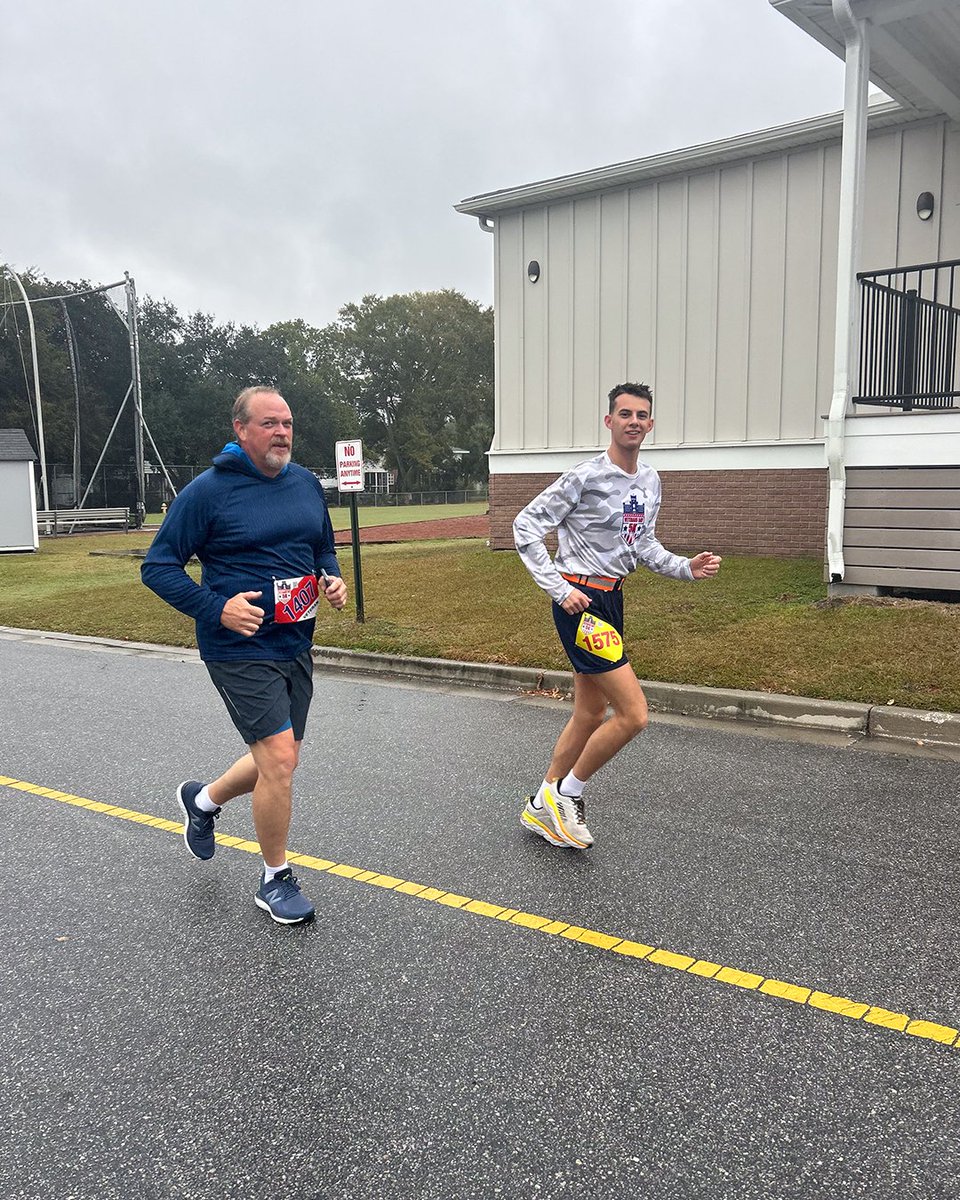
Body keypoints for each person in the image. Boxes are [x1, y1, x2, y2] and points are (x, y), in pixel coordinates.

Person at [141, 385, 347, 925]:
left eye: (288, 423)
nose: (282, 433)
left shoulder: (304, 482)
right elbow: (158, 566)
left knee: (279, 758)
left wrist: (333, 575)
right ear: (241, 429)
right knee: (279, 760)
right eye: (269, 424)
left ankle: (202, 802)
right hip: (238, 648)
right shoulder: (208, 492)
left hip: (296, 640)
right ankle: (275, 879)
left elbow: (321, 543)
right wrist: (217, 609)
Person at [513, 381, 721, 851]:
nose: (633, 421)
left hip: (613, 598)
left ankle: (542, 802)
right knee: (634, 714)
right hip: (581, 603)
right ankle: (568, 794)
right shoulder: (584, 477)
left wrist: (686, 568)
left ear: (650, 424)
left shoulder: (650, 481)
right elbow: (525, 526)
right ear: (609, 421)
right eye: (624, 414)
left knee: (589, 712)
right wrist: (558, 588)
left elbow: (642, 544)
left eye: (641, 415)